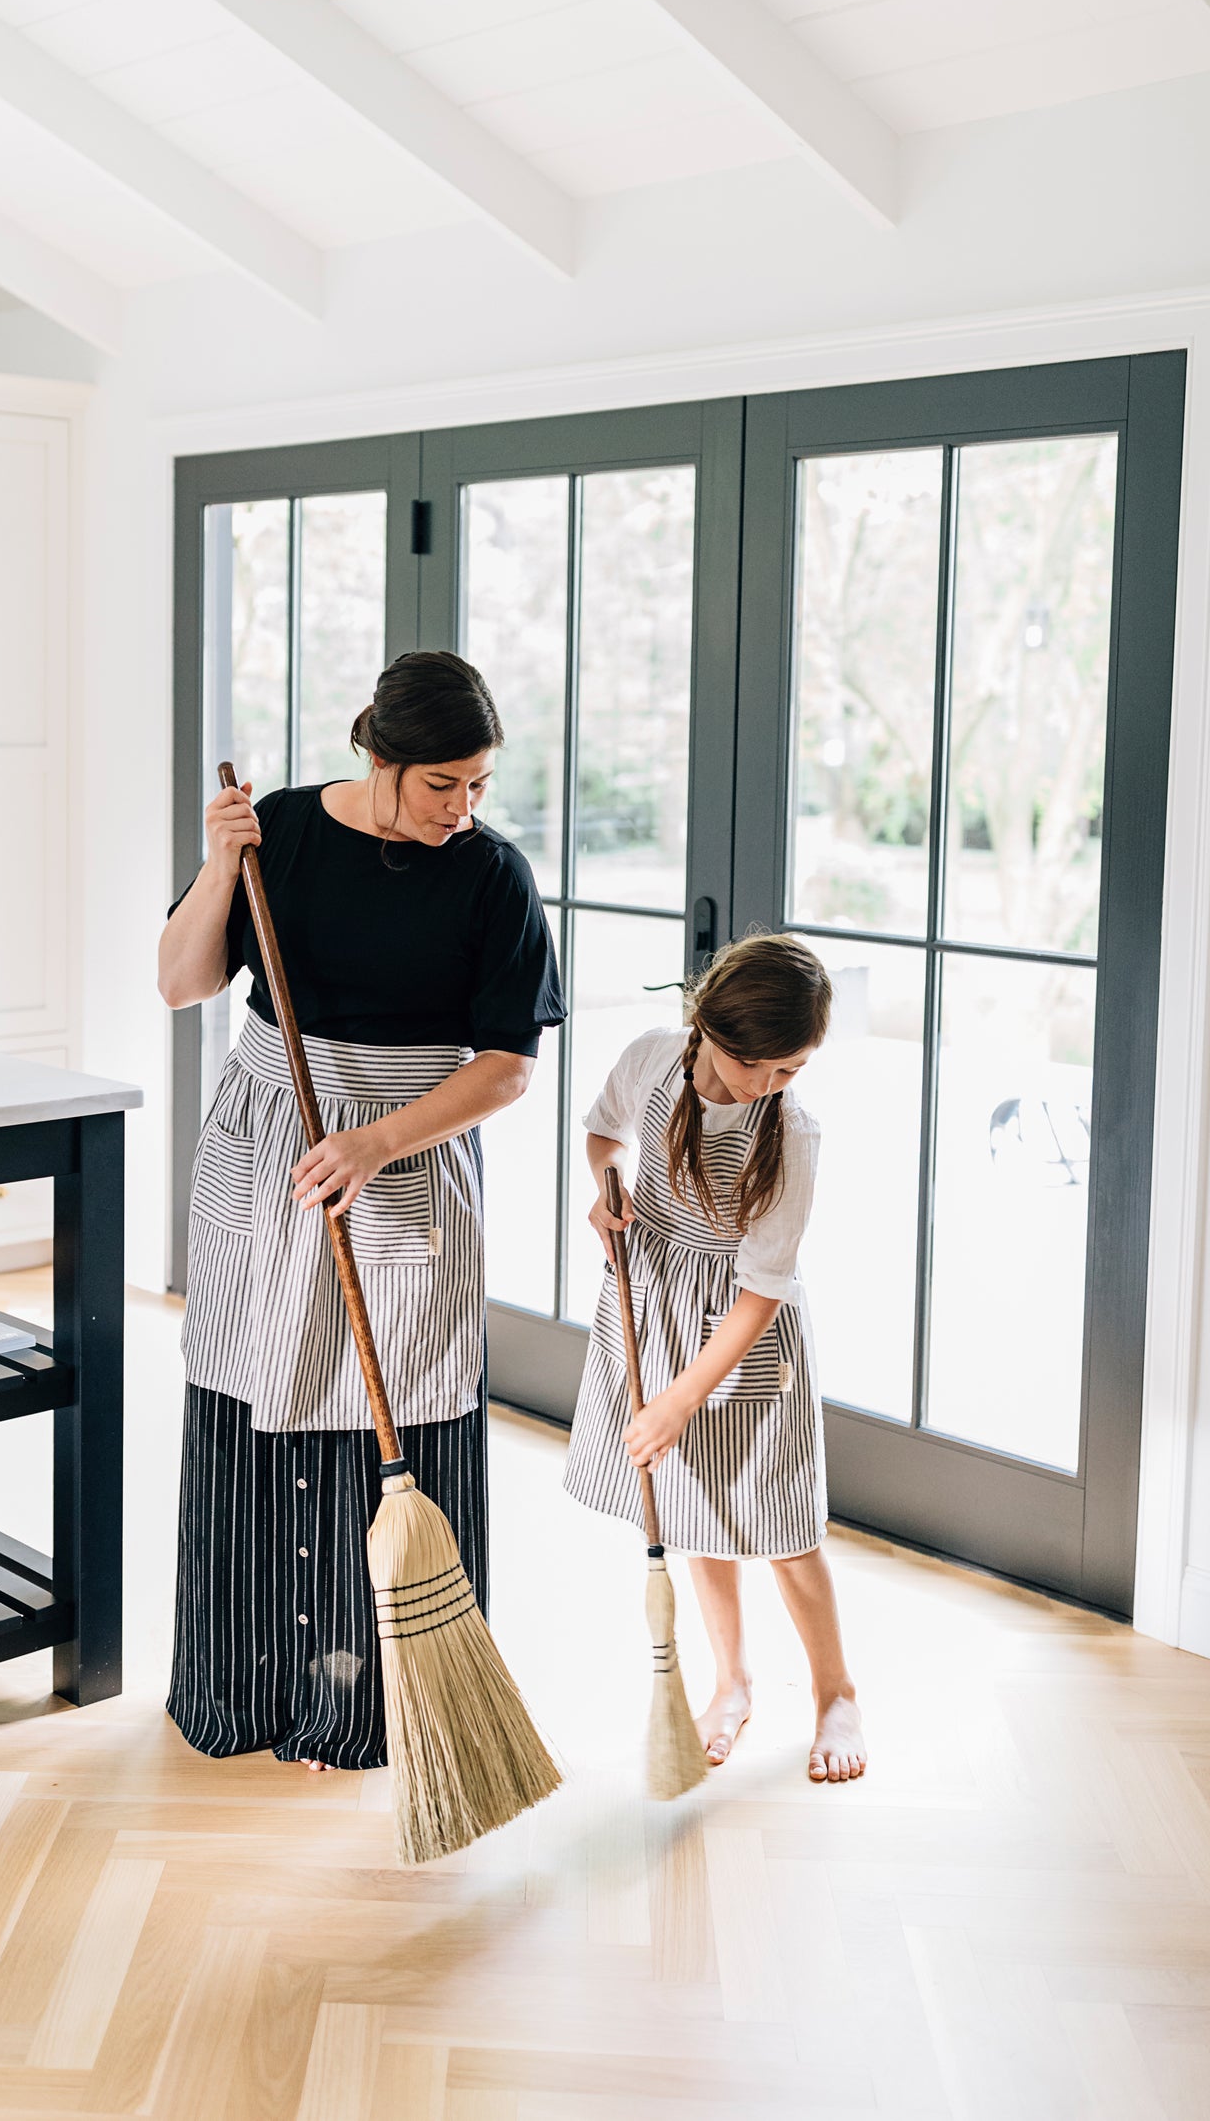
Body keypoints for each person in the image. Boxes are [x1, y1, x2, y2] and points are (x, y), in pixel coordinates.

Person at [158, 650, 566, 1772]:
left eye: (479, 783)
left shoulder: (491, 875)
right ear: (377, 757)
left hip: (406, 1143)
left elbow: (506, 1067)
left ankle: (385, 1707)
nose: (463, 808)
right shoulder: (279, 831)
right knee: (252, 1376)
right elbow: (183, 981)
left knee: (405, 1393)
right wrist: (217, 867)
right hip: (266, 1136)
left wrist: (375, 1141)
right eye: (442, 784)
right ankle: (240, 1688)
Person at [562, 934, 866, 1783]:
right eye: (752, 1065)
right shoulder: (651, 1061)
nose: (766, 1085)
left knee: (782, 1525)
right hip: (656, 1313)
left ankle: (834, 1690)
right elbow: (601, 1132)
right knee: (701, 1513)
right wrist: (609, 1186)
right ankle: (730, 1681)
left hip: (742, 1341)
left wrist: (677, 1401)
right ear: (704, 1026)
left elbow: (762, 1288)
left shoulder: (791, 1135)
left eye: (789, 1069)